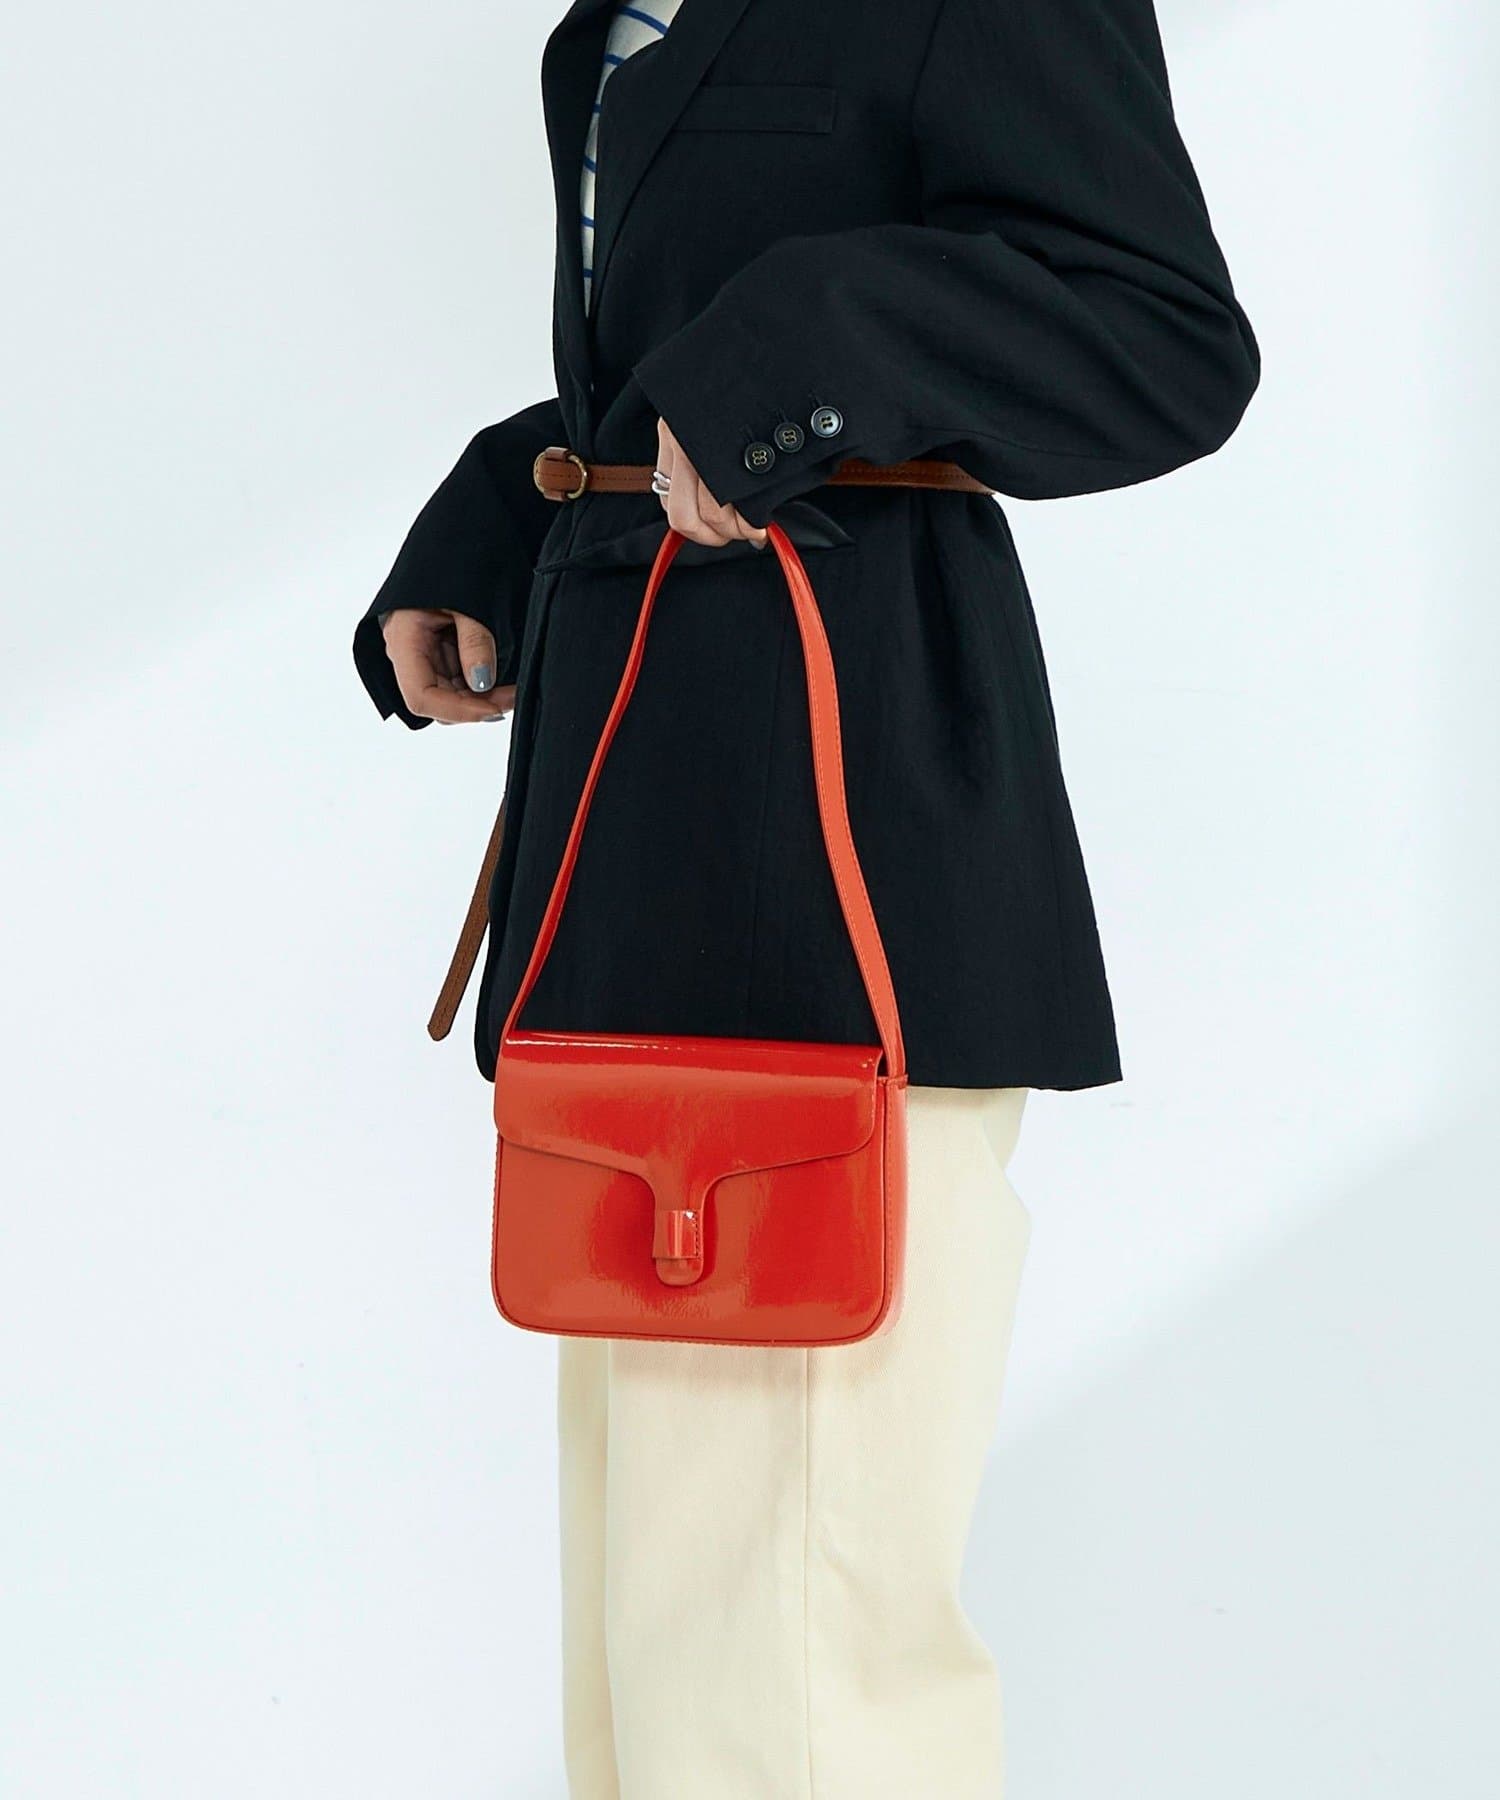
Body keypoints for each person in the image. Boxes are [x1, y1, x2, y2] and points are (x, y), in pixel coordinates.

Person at [352, 0, 1259, 1792]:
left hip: (847, 907)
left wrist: (801, 348)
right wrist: (515, 508)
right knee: (662, 1665)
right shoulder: (614, 22)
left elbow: (1160, 334)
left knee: (792, 1672)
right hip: (636, 908)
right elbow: (679, 350)